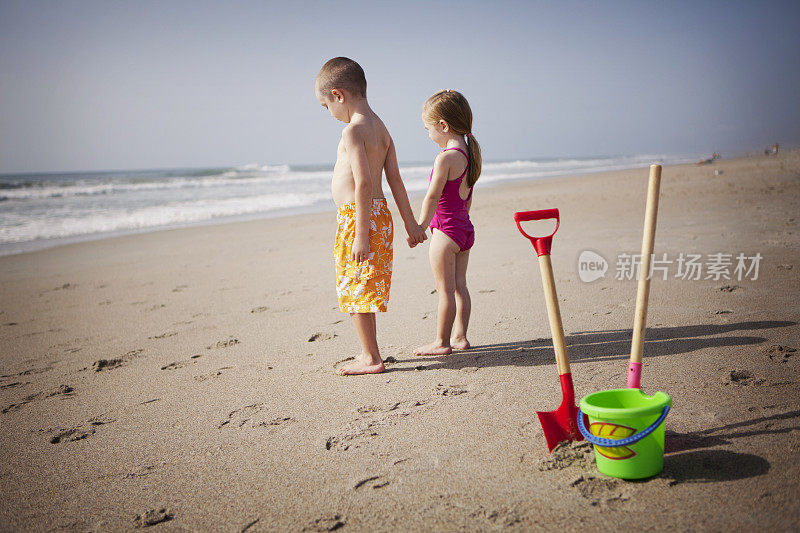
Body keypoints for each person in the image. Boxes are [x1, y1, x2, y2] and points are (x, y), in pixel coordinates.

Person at [315, 57, 427, 376]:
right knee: (364, 287)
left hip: (357, 218)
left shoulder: (353, 131)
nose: (329, 113)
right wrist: (411, 224)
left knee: (354, 289)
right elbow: (395, 181)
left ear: (339, 95)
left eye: (326, 106)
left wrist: (361, 234)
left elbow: (364, 182)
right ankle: (371, 352)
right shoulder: (382, 128)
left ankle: (370, 357)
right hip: (380, 215)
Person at [412, 90, 482, 355]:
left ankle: (441, 342)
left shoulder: (445, 158)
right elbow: (467, 198)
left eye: (428, 128)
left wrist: (420, 227)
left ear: (443, 126)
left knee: (445, 290)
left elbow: (432, 196)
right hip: (464, 229)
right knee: (460, 286)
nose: (428, 134)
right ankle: (460, 337)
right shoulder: (469, 155)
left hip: (445, 233)